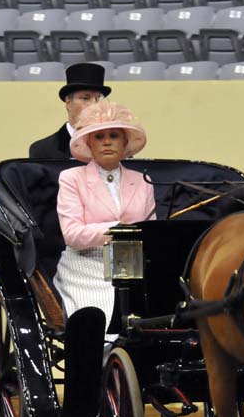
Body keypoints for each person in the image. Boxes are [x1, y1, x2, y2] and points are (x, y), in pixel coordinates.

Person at [53, 100, 156, 341]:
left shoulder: (143, 181)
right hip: (86, 266)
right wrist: (118, 230)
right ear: (89, 143)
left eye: (114, 136)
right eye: (99, 137)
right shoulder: (71, 178)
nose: (107, 142)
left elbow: (151, 231)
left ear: (125, 142)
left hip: (133, 266)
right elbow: (72, 234)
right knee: (104, 328)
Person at [29, 63, 112, 159]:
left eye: (98, 99)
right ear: (69, 103)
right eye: (85, 98)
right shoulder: (43, 150)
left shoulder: (114, 146)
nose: (94, 105)